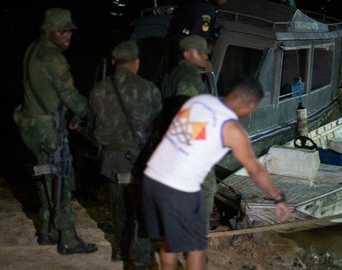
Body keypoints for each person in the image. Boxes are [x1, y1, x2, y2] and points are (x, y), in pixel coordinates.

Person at [142, 78, 293, 270]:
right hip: (179, 189)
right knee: (196, 248)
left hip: (152, 177)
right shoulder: (232, 129)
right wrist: (278, 198)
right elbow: (255, 170)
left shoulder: (198, 101)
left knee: (169, 242)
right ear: (250, 104)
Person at [12, 7, 97, 255]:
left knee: (45, 176)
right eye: (62, 31)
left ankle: (47, 230)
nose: (68, 35)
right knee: (61, 178)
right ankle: (67, 238)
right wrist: (86, 111)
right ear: (49, 31)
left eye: (69, 30)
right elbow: (71, 97)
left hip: (30, 125)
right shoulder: (53, 57)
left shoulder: (32, 50)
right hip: (47, 129)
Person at [89, 40, 162, 268]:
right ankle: (139, 257)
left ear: (113, 63)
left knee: (118, 206)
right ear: (136, 62)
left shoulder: (99, 89)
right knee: (139, 209)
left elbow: (93, 125)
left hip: (111, 159)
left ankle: (119, 250)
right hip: (137, 159)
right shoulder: (149, 89)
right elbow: (156, 120)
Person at [159, 34, 218, 232]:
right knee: (207, 188)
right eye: (201, 53)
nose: (205, 57)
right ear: (188, 54)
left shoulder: (171, 74)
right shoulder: (189, 77)